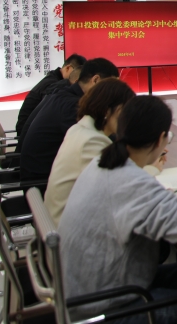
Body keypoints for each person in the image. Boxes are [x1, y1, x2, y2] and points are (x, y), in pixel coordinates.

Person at [59, 96, 177, 324]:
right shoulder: (131, 181)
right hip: (106, 308)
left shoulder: (102, 162)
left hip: (89, 288)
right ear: (161, 139)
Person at [44, 78, 137, 224]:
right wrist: (150, 166)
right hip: (69, 228)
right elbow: (121, 189)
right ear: (111, 111)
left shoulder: (79, 129)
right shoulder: (91, 141)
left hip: (61, 221)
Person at [18, 58, 120, 182]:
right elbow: (96, 138)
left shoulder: (65, 95)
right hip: (41, 181)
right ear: (96, 80)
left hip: (42, 173)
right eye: (111, 87)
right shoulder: (72, 105)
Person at [15, 54, 86, 137]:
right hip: (27, 132)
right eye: (77, 72)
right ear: (68, 68)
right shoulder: (54, 85)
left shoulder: (54, 79)